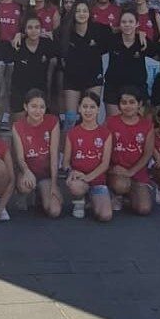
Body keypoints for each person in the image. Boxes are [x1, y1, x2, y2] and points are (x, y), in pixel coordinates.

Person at [63, 91, 112, 221]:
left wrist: (88, 177)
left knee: (105, 216)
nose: (88, 110)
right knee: (76, 186)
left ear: (98, 109)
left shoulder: (105, 133)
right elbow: (66, 162)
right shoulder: (72, 133)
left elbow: (105, 164)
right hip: (79, 179)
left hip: (97, 180)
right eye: (85, 106)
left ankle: (92, 198)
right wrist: (71, 172)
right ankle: (79, 200)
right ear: (79, 108)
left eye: (92, 107)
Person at [12, 90, 61, 219]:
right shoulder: (17, 126)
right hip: (28, 172)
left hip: (45, 175)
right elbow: (20, 158)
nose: (38, 111)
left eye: (41, 107)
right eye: (33, 106)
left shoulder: (53, 121)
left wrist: (54, 185)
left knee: (54, 211)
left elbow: (54, 156)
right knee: (25, 186)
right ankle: (22, 194)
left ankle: (41, 193)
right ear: (25, 107)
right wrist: (26, 171)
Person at [59, 1, 107, 133]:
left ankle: (91, 145)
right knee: (70, 119)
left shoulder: (98, 30)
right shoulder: (65, 31)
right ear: (73, 13)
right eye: (78, 11)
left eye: (84, 11)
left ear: (89, 13)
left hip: (93, 78)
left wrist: (140, 33)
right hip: (72, 78)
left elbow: (119, 31)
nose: (81, 14)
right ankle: (66, 146)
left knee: (90, 117)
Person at [106, 87, 154, 216]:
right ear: (119, 105)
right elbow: (103, 149)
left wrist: (131, 171)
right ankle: (116, 193)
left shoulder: (147, 125)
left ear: (139, 104)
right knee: (120, 185)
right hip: (116, 171)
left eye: (132, 102)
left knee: (144, 209)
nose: (128, 106)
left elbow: (147, 154)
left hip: (137, 172)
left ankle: (128, 197)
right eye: (124, 102)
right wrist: (111, 168)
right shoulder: (111, 122)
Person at [9, 16, 57, 122]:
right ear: (25, 30)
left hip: (40, 91)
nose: (34, 30)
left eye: (37, 27)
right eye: (30, 27)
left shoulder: (47, 44)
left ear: (41, 29)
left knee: (39, 125)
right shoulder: (18, 44)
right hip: (19, 91)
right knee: (19, 125)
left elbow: (53, 66)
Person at [103, 10, 147, 116]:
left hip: (138, 88)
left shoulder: (143, 41)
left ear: (137, 24)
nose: (127, 24)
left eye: (131, 22)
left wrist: (141, 33)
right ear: (119, 24)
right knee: (113, 123)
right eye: (124, 22)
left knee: (136, 124)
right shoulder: (111, 40)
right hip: (113, 89)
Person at [0, 0, 22, 128]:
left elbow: (25, 27)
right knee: (0, 87)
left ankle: (6, 117)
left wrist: (20, 34)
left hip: (14, 49)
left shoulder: (20, 7)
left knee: (10, 86)